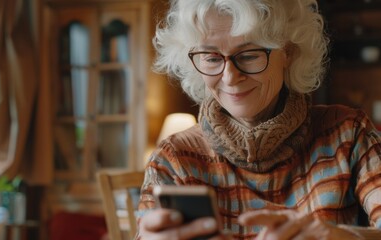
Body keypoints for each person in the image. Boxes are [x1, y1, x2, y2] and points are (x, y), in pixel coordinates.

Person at [136, 0, 381, 239]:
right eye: (211, 58)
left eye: (249, 55)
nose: (230, 77)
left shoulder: (348, 134)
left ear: (289, 51)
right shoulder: (173, 158)